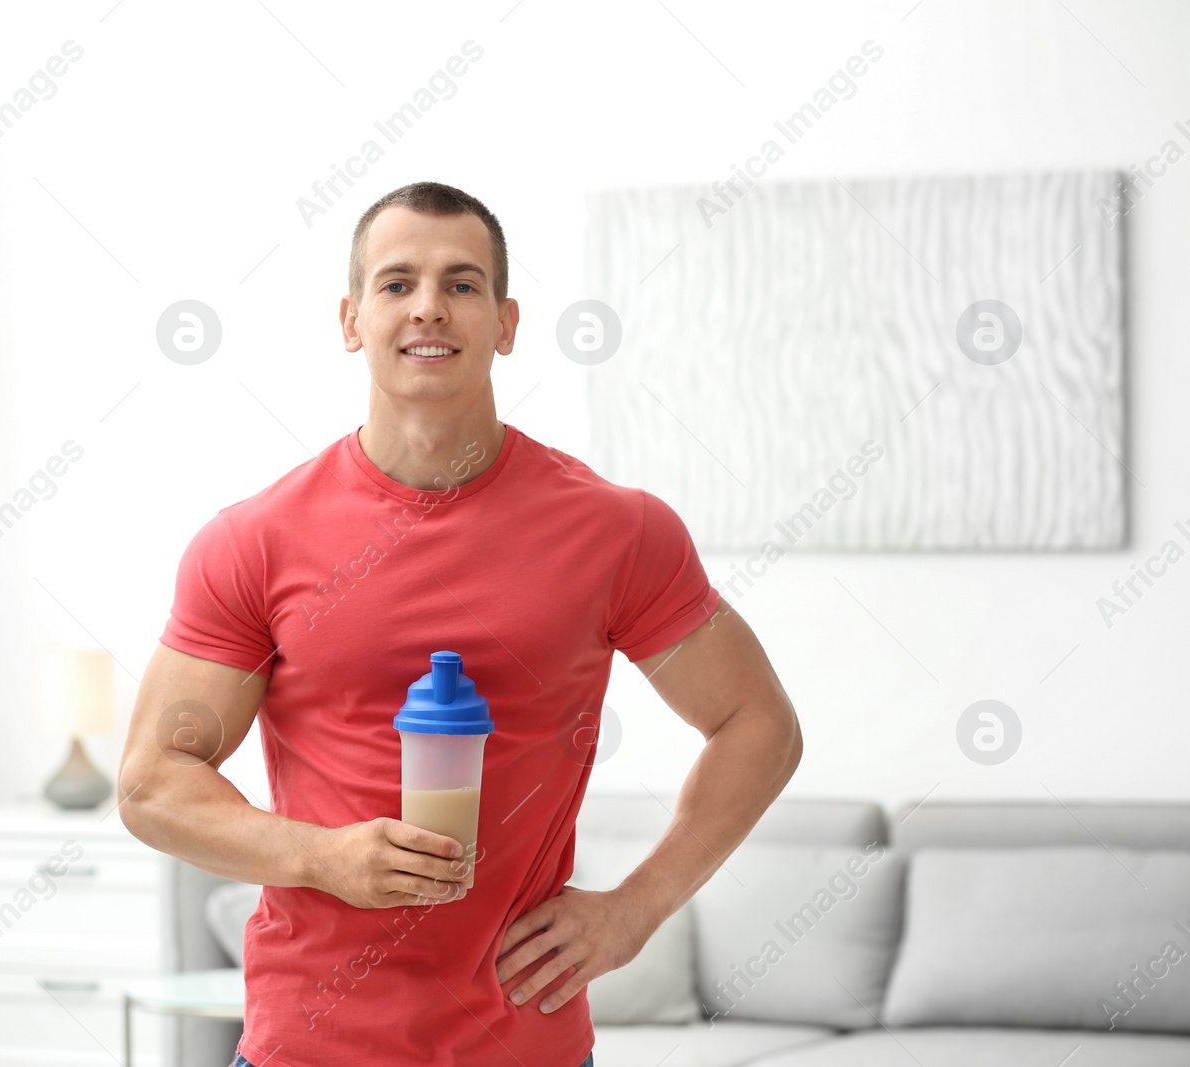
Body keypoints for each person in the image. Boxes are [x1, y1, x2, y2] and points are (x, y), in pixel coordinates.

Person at [117, 181, 802, 1067]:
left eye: (463, 283)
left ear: (507, 323)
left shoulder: (616, 530)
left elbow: (760, 726)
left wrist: (635, 908)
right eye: (397, 283)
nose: (429, 307)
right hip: (311, 1047)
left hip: (529, 1048)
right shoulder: (256, 540)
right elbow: (151, 783)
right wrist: (323, 856)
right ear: (351, 317)